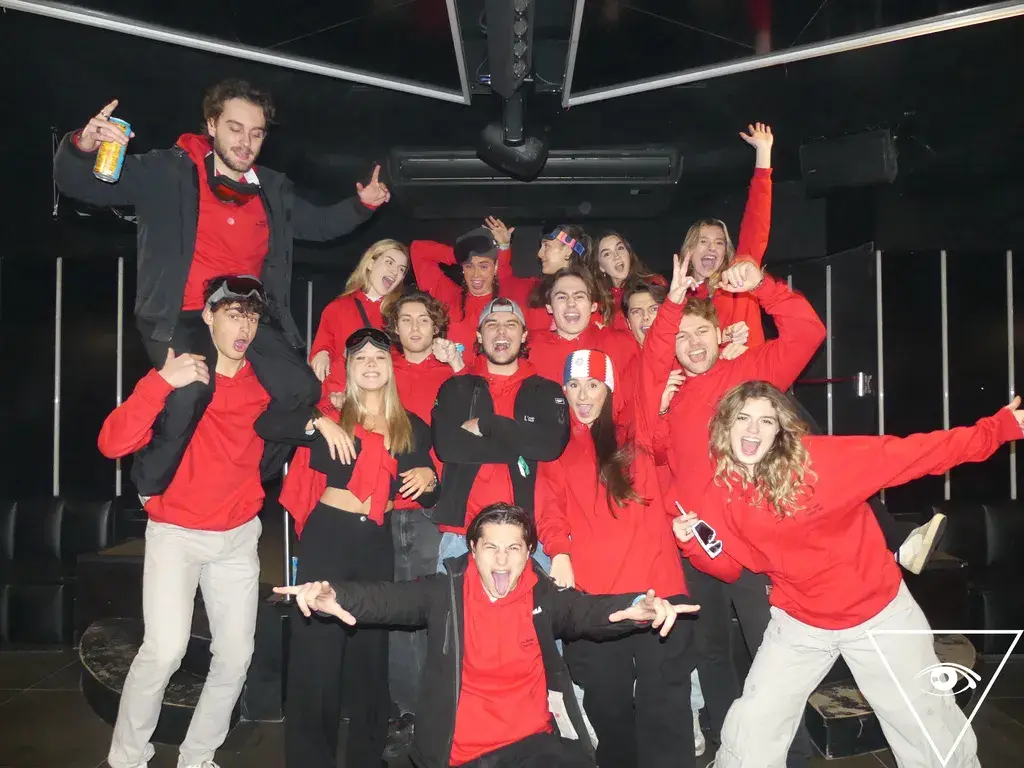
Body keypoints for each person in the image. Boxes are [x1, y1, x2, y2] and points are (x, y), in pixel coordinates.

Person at [54, 79, 390, 496]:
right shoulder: (167, 172)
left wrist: (362, 205)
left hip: (246, 312)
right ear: (212, 124)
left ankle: (255, 472)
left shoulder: (272, 191)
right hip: (182, 315)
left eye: (256, 133)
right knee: (192, 392)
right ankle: (150, 483)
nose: (246, 142)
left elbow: (319, 225)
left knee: (302, 389)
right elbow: (83, 185)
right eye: (235, 128)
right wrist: (82, 146)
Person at [674, 380, 1021, 768]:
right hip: (800, 621)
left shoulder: (822, 461)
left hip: (877, 613)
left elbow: (918, 453)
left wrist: (998, 429)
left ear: (780, 430)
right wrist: (692, 544)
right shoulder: (718, 491)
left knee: (926, 726)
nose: (753, 429)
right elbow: (730, 566)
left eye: (766, 421)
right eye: (743, 418)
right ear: (726, 424)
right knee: (754, 723)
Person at [274, 503, 700, 768]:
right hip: (460, 753)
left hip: (533, 748)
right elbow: (388, 599)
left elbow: (588, 611)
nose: (501, 560)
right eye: (491, 547)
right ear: (472, 550)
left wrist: (636, 609)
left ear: (528, 553)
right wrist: (335, 595)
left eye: (513, 548)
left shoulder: (543, 596)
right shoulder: (445, 594)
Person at [95, 276, 271, 768]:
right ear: (209, 316)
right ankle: (127, 758)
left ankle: (197, 757)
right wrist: (160, 383)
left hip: (238, 538)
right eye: (233, 315)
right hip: (177, 534)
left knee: (235, 658)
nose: (244, 327)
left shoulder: (266, 382)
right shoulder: (181, 375)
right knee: (165, 650)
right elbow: (111, 443)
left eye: (251, 317)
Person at [255, 328, 439, 768]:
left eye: (379, 357)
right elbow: (267, 423)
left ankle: (365, 757)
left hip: (377, 541)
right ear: (349, 368)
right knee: (317, 655)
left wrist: (431, 478)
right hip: (329, 537)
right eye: (361, 358)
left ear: (391, 367)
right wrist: (318, 421)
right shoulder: (332, 415)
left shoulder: (411, 426)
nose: (371, 364)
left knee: (370, 658)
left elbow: (429, 492)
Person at [536, 350, 695, 768]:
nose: (582, 395)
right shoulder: (555, 447)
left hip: (658, 584)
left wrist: (675, 301)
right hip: (596, 597)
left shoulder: (635, 432)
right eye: (574, 385)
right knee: (607, 706)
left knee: (665, 704)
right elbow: (549, 509)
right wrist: (559, 552)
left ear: (609, 390)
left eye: (593, 385)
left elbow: (655, 361)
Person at [379, 291, 465, 755]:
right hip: (383, 508)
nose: (414, 327)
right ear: (395, 327)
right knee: (397, 615)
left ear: (437, 327)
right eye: (406, 319)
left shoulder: (451, 375)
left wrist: (435, 474)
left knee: (438, 614)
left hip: (434, 512)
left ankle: (440, 712)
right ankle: (406, 711)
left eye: (423, 320)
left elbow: (468, 439)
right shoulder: (380, 369)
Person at [430, 297, 570, 571]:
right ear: (479, 335)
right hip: (462, 535)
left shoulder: (547, 390)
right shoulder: (455, 388)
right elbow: (447, 448)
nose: (501, 332)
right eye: (492, 324)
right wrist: (523, 443)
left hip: (529, 536)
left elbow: (551, 446)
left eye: (511, 324)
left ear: (524, 335)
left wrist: (487, 425)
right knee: (451, 602)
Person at [679, 121, 774, 347]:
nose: (712, 247)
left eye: (719, 243)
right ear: (689, 250)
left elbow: (756, 222)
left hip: (749, 369)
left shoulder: (738, 279)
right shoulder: (680, 299)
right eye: (703, 241)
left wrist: (763, 153)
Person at [526, 266, 638, 418]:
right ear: (549, 307)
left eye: (579, 296)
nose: (571, 303)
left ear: (593, 305)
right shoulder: (529, 348)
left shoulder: (621, 344)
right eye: (561, 297)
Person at [409, 218, 517, 362]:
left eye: (483, 266)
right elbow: (418, 250)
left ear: (496, 267)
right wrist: (460, 254)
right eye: (469, 266)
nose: (475, 274)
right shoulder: (449, 295)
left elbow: (505, 276)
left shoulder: (506, 302)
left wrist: (503, 249)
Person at [309, 239, 409, 382]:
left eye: (401, 269)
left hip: (387, 390)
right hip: (344, 389)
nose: (395, 271)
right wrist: (322, 354)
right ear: (370, 263)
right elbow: (323, 347)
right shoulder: (337, 308)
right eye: (389, 262)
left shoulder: (401, 312)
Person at [496, 224, 600, 332]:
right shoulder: (534, 289)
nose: (539, 254)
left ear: (568, 250)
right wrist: (503, 246)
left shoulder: (593, 296)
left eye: (546, 246)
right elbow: (505, 284)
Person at [588, 231, 668, 332]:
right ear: (601, 267)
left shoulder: (654, 283)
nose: (616, 256)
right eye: (607, 254)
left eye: (620, 248)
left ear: (629, 254)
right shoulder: (598, 304)